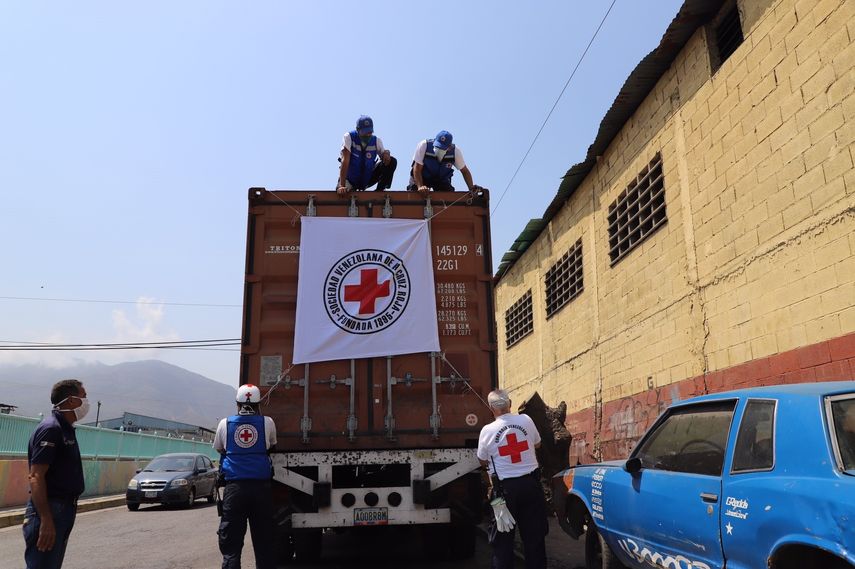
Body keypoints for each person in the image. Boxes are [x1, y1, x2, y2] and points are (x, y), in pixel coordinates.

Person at [477, 389, 548, 569]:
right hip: (531, 487)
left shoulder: (487, 430)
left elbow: (482, 459)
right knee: (535, 539)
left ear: (491, 408)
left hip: (503, 493)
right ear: (509, 403)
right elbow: (537, 443)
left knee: (502, 543)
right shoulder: (526, 420)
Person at [23, 379, 88, 569]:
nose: (86, 403)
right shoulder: (51, 429)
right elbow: (36, 476)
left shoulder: (65, 429)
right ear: (70, 401)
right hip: (50, 509)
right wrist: (45, 519)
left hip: (64, 509)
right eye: (83, 397)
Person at [214, 384, 278, 569]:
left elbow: (220, 448)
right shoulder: (268, 422)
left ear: (237, 403)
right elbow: (271, 445)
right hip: (261, 490)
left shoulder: (224, 423)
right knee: (265, 543)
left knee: (231, 547)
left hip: (234, 490)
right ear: (259, 403)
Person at [337, 115, 397, 195]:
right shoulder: (349, 137)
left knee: (392, 161)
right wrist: (342, 185)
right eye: (365, 132)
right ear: (358, 130)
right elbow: (345, 160)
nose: (367, 135)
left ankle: (380, 190)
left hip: (367, 177)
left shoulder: (376, 141)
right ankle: (345, 187)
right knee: (342, 195)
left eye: (370, 132)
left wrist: (386, 153)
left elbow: (385, 158)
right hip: (350, 179)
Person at [409, 130, 478, 194]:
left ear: (449, 147)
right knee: (415, 195)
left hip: (441, 180)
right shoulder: (424, 145)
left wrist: (471, 188)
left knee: (448, 198)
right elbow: (417, 169)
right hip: (422, 176)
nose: (439, 149)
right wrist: (420, 186)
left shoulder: (455, 152)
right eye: (437, 146)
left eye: (442, 148)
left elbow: (465, 171)